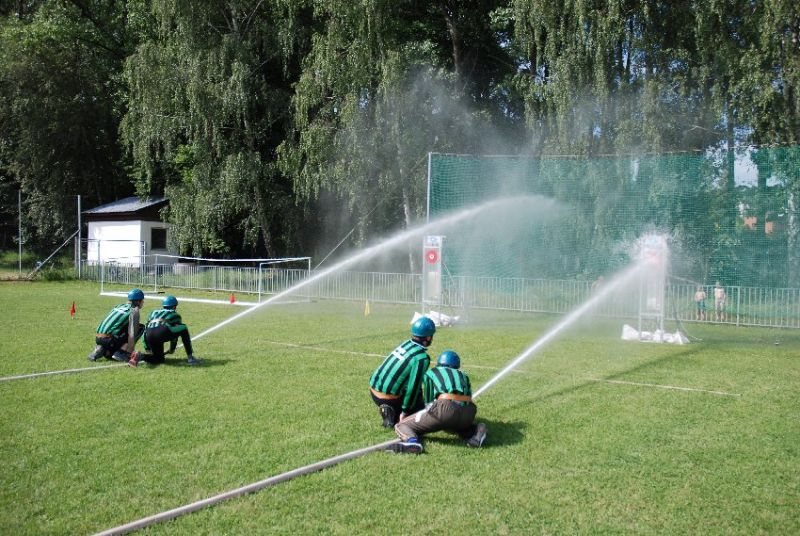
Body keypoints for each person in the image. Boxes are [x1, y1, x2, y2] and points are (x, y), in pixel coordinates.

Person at [392, 350, 487, 454]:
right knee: (455, 426)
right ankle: (478, 429)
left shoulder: (431, 373)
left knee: (401, 425)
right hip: (469, 412)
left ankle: (412, 442)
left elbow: (428, 404)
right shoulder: (464, 375)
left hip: (446, 410)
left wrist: (412, 414)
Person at [369, 316, 436, 428]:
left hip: (373, 390)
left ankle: (389, 409)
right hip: (387, 398)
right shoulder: (422, 358)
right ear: (428, 337)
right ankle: (393, 412)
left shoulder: (405, 344)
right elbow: (413, 387)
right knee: (420, 413)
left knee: (415, 390)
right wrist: (406, 411)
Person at [128, 295, 200, 366]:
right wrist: (172, 348)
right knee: (183, 328)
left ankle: (140, 356)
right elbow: (175, 333)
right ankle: (190, 358)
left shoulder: (153, 312)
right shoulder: (175, 314)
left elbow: (145, 331)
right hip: (162, 331)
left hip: (148, 334)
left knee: (159, 360)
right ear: (174, 306)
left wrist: (148, 349)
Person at [88, 288, 145, 362]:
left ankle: (100, 349)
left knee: (110, 352)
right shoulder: (134, 310)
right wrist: (130, 352)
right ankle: (121, 352)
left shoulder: (119, 306)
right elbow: (132, 333)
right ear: (138, 301)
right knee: (140, 327)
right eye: (142, 300)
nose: (143, 302)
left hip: (98, 337)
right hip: (110, 339)